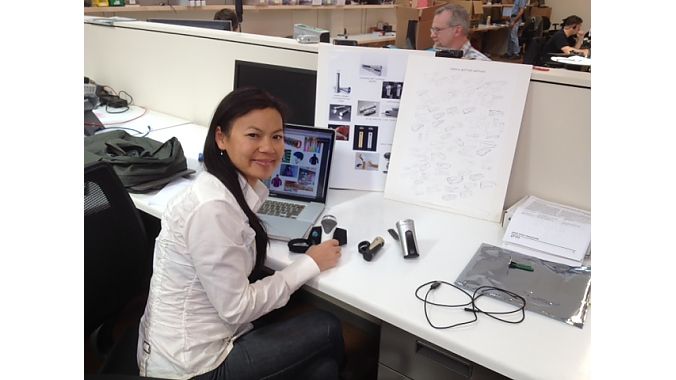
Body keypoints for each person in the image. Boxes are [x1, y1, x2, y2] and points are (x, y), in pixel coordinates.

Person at [137, 87, 345, 380]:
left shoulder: (222, 185)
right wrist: (310, 263)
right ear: (221, 137)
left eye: (277, 136)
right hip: (192, 367)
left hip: (192, 339)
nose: (269, 148)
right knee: (327, 326)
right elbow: (237, 309)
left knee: (322, 370)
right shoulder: (213, 209)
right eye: (253, 135)